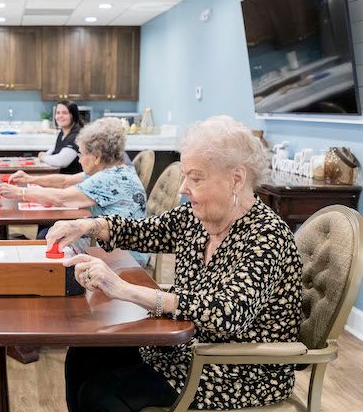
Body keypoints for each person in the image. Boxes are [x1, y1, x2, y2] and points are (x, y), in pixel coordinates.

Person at [46, 115, 302, 412]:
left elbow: (228, 313)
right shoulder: (197, 218)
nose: (183, 188)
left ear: (236, 179)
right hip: (183, 348)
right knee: (84, 355)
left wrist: (125, 290)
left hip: (236, 369)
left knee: (100, 395)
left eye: (195, 178)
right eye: (185, 176)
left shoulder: (266, 236)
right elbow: (144, 231)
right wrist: (89, 226)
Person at [0, 117, 146, 256]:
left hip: (121, 254)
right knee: (47, 235)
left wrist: (20, 192)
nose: (79, 160)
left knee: (47, 238)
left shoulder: (107, 178)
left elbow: (59, 198)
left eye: (80, 154)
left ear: (97, 157)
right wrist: (31, 178)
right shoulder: (115, 169)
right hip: (117, 243)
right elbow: (65, 181)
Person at [38, 100, 83, 174]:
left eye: (65, 113)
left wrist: (43, 157)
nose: (60, 116)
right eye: (58, 113)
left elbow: (61, 161)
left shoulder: (76, 135)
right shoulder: (62, 133)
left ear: (73, 115)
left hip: (73, 179)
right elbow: (55, 148)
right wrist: (45, 154)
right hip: (62, 176)